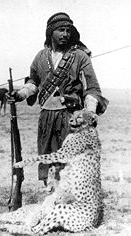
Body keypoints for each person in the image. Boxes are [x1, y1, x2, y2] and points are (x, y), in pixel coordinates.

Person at [8, 12, 108, 186]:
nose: (65, 34)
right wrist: (20, 94)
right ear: (50, 32)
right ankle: (50, 196)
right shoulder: (40, 57)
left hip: (71, 118)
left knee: (72, 166)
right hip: (46, 118)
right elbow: (33, 82)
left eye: (68, 30)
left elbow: (91, 88)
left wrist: (90, 112)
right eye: (61, 30)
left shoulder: (80, 56)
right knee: (48, 161)